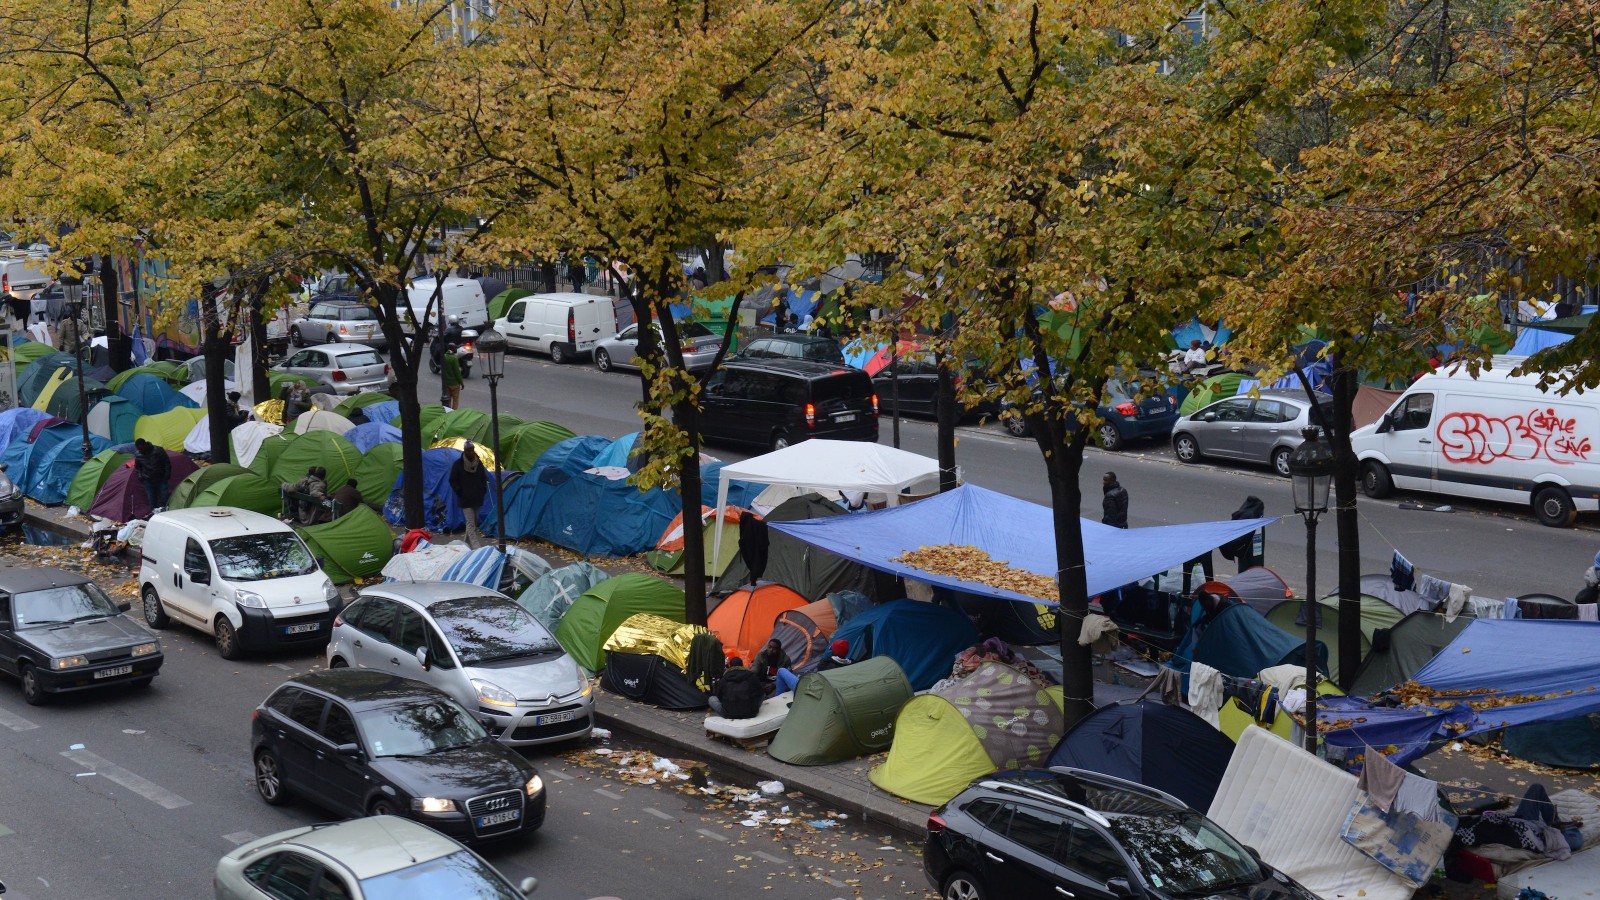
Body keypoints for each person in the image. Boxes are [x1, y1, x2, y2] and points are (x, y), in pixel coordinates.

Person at [449, 443, 489, 548]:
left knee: (472, 523)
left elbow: (483, 478)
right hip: (465, 499)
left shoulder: (478, 463)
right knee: (471, 523)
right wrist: (459, 491)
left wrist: (482, 490)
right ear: (465, 451)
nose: (471, 452)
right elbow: (453, 480)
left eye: (472, 450)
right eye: (469, 450)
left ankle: (465, 544)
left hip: (477, 498)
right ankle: (476, 547)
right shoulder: (458, 464)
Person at [133, 438, 170, 514]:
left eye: (141, 448)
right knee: (152, 500)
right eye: (139, 449)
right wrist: (140, 475)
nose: (141, 451)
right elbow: (138, 467)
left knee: (164, 498)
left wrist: (167, 475)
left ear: (145, 445)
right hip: (148, 480)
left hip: (161, 478)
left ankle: (166, 513)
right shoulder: (138, 455)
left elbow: (167, 463)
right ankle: (154, 515)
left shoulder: (158, 450)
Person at [441, 344, 463, 408]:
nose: (456, 349)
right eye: (455, 348)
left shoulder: (444, 357)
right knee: (455, 400)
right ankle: (454, 414)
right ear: (452, 349)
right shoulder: (454, 358)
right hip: (455, 384)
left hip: (446, 383)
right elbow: (457, 372)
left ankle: (448, 413)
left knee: (448, 400)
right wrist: (461, 383)